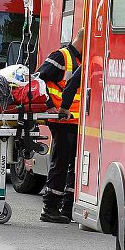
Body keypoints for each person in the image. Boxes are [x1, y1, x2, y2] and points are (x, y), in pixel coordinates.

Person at [36, 28, 84, 224]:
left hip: (77, 121)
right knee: (61, 163)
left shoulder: (82, 59)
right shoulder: (61, 56)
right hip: (62, 120)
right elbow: (38, 79)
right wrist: (48, 107)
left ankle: (67, 208)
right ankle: (50, 207)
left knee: (74, 166)